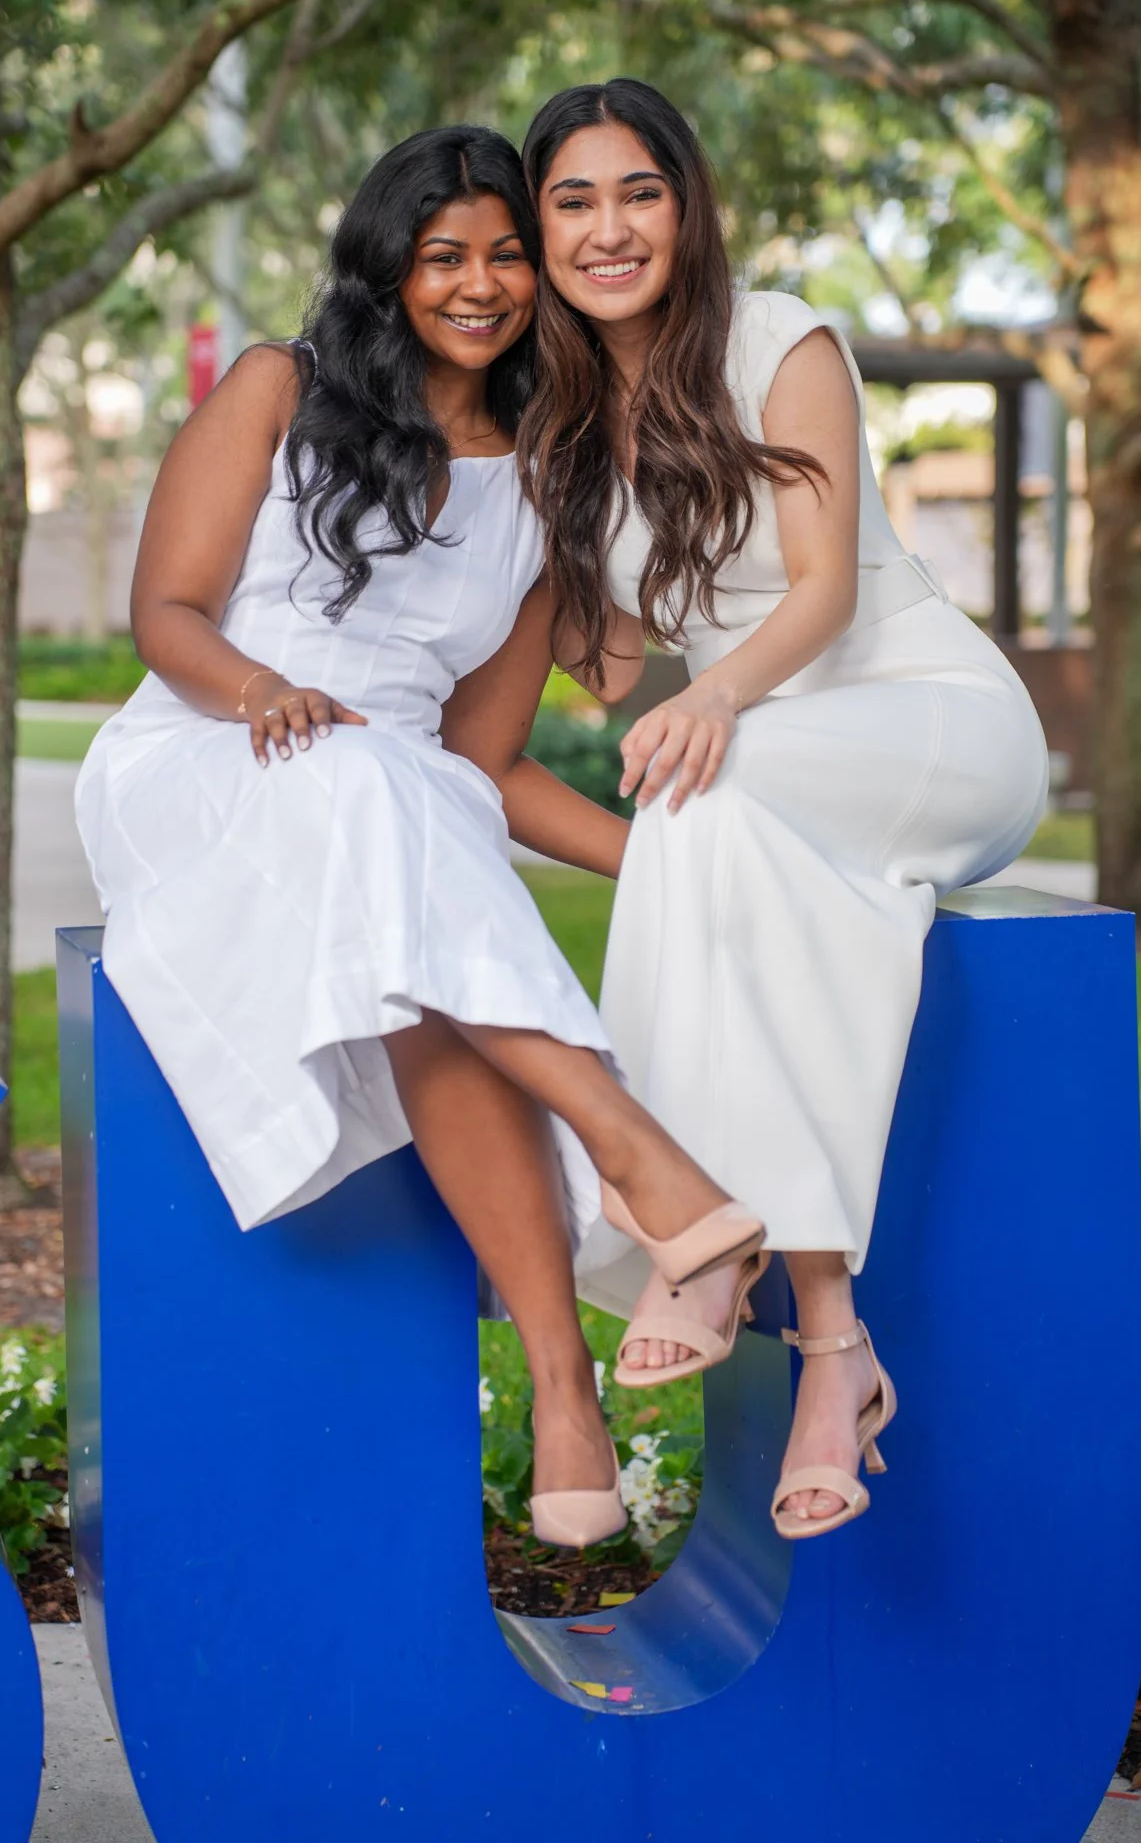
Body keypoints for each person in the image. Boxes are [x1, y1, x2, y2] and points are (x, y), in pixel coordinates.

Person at [75, 124, 764, 1550]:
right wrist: (269, 693)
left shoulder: (551, 473)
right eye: (443, 255)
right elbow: (166, 618)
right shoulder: (281, 387)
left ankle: (562, 1392)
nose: (481, 281)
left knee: (416, 935)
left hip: (392, 797)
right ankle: (635, 1156)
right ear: (383, 269)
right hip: (210, 753)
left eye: (508, 254)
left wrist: (674, 859)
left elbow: (485, 759)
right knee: (365, 796)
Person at [519, 79, 1049, 1540]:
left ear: (686, 208)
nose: (610, 228)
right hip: (763, 779)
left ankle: (691, 1235)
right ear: (540, 229)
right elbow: (603, 665)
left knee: (703, 779)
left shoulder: (778, 337)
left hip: (933, 723)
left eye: (640, 192)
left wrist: (717, 700)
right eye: (574, 201)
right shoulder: (560, 423)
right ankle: (831, 1340)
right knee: (707, 810)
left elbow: (819, 591)